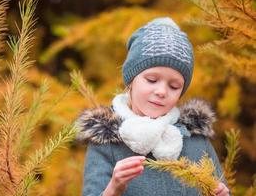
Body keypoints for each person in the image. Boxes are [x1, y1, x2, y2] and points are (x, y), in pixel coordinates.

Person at [75, 17, 230, 196]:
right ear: (131, 79)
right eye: (152, 80)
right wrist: (113, 189)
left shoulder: (195, 140)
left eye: (174, 86)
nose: (162, 91)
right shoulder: (107, 142)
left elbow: (220, 188)